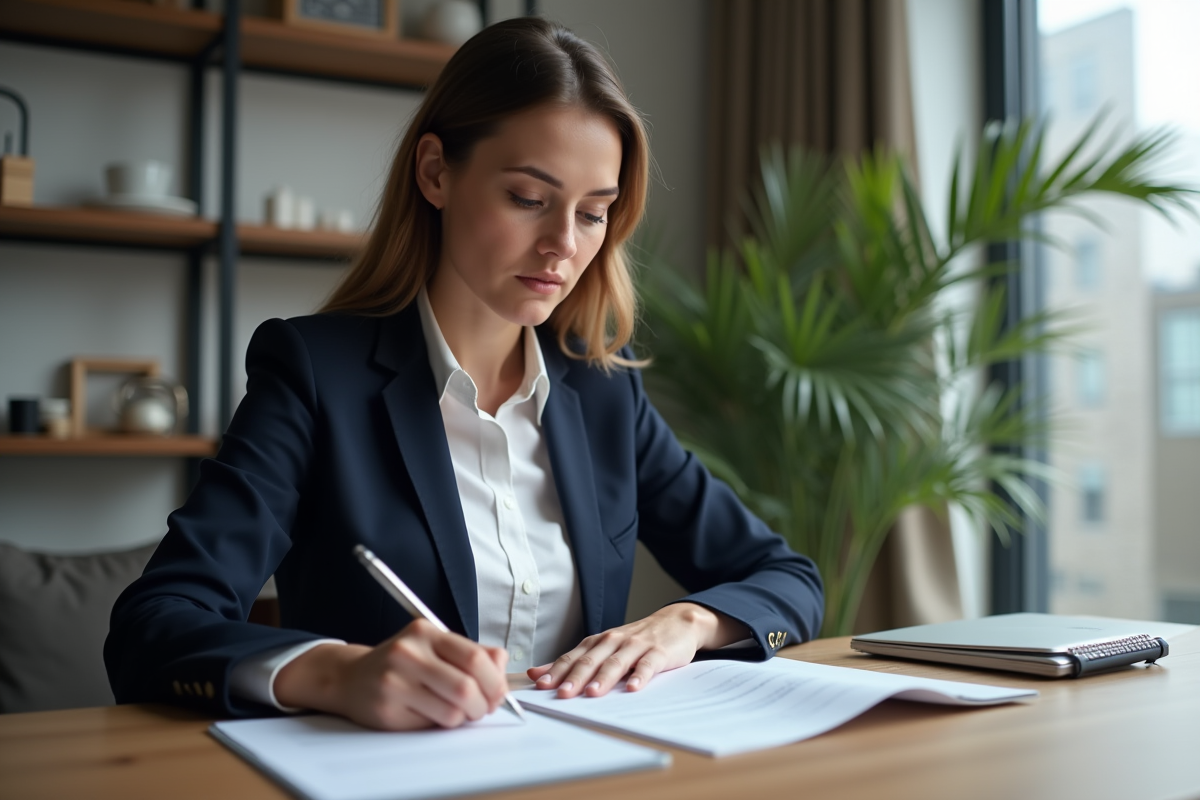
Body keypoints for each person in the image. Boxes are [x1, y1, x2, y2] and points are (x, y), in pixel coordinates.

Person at [104, 16, 823, 732]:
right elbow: (154, 626)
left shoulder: (603, 394)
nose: (562, 247)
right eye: (528, 199)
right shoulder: (315, 375)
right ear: (435, 172)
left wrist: (687, 623)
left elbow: (788, 579)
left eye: (594, 213)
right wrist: (338, 672)